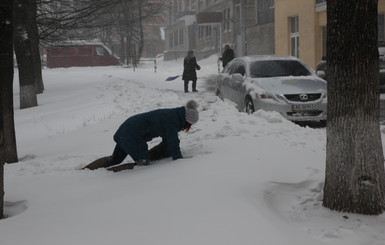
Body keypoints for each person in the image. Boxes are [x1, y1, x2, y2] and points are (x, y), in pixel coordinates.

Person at [83, 100, 200, 170]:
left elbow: (169, 140)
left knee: (115, 159)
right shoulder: (172, 120)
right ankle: (109, 174)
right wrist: (179, 161)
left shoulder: (173, 114)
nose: (188, 127)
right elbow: (173, 142)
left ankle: (86, 170)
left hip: (127, 129)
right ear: (186, 120)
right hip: (132, 135)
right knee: (142, 165)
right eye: (190, 124)